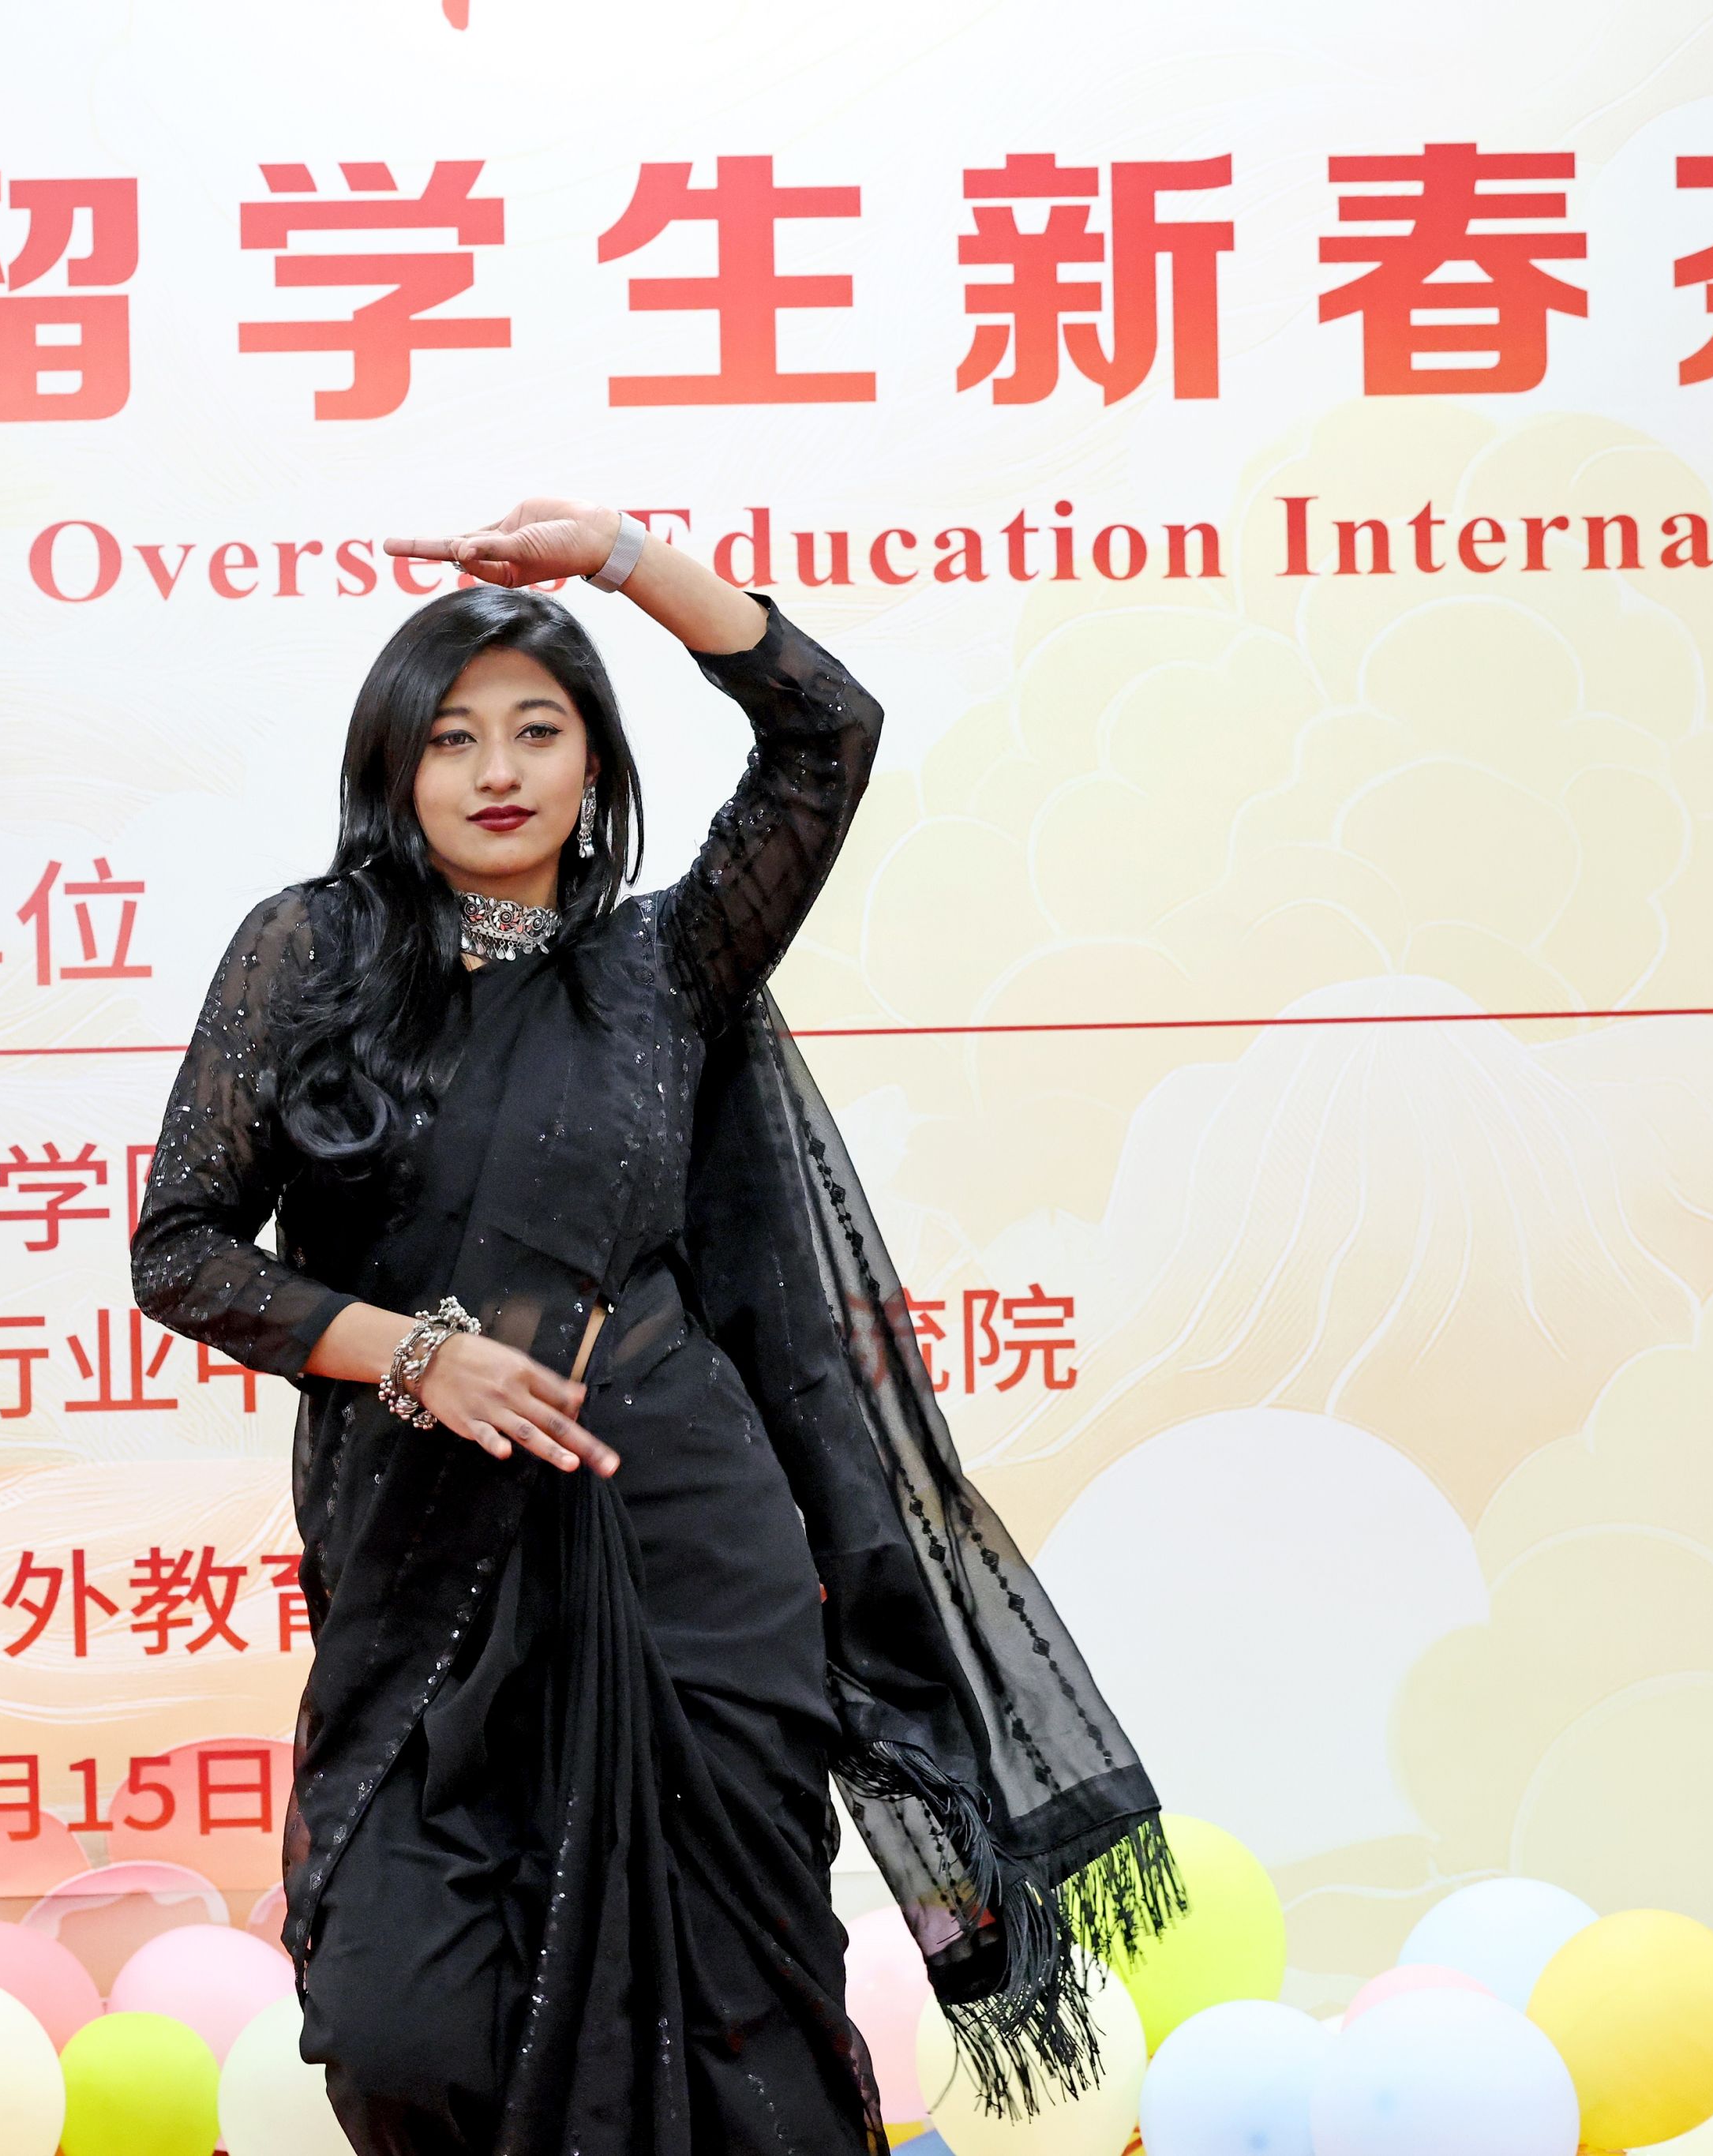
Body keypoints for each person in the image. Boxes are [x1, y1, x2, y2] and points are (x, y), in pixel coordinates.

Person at [131, 496, 1172, 2155]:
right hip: (428, 1567)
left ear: (595, 764)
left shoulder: (665, 967)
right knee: (403, 2030)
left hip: (688, 1554)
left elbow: (826, 734)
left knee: (736, 2017)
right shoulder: (309, 956)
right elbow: (181, 1252)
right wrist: (415, 1352)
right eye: (454, 734)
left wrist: (622, 559)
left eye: (538, 729)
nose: (496, 768)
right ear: (393, 764)